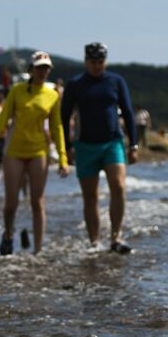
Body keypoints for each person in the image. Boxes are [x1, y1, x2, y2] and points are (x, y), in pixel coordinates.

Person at [61, 42, 139, 254]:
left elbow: (129, 112)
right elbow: (64, 116)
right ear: (86, 61)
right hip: (85, 145)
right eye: (93, 62)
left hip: (112, 142)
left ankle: (116, 237)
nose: (97, 66)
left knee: (119, 187)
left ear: (106, 61)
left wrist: (133, 144)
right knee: (91, 195)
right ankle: (95, 241)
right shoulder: (75, 84)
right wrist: (66, 148)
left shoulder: (116, 81)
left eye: (100, 62)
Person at [0, 52, 69, 255]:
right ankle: (8, 234)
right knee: (11, 202)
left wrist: (63, 158)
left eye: (46, 68)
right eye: (39, 67)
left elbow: (57, 127)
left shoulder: (52, 95)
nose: (43, 71)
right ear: (31, 69)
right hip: (14, 151)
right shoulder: (17, 90)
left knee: (37, 201)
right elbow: (3, 119)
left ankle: (38, 250)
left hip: (39, 151)